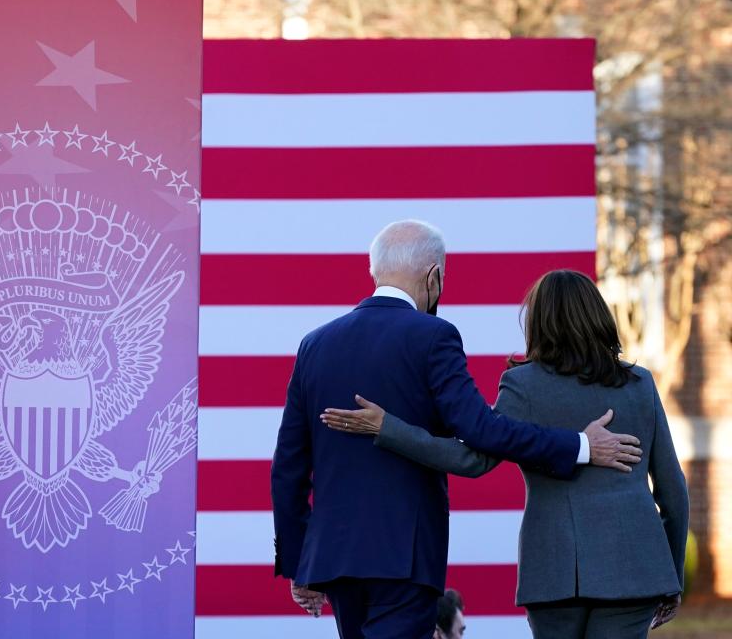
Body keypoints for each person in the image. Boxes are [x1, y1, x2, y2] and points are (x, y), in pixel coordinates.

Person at [271, 221, 643, 639]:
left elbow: (287, 466)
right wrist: (580, 446)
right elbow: (482, 430)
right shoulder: (433, 335)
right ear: (433, 276)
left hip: (334, 557)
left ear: (375, 271)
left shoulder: (315, 344)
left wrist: (299, 562)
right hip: (404, 556)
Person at [322, 269, 689, 639]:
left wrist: (389, 428)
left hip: (553, 574)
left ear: (539, 322)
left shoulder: (524, 384)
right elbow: (673, 490)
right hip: (636, 569)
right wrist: (671, 576)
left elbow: (472, 459)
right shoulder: (640, 385)